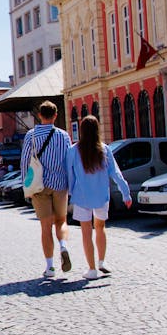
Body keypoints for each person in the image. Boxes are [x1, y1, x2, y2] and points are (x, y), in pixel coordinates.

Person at [66, 115, 131, 280]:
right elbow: (115, 173)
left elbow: (70, 176)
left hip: (81, 196)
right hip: (102, 195)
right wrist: (126, 193)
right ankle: (102, 261)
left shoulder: (73, 151)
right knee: (100, 227)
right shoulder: (105, 149)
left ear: (81, 131)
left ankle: (92, 269)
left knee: (86, 232)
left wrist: (70, 192)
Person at [19, 100, 74, 278]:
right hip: (60, 184)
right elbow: (69, 161)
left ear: (40, 115)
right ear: (56, 115)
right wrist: (70, 184)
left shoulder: (31, 136)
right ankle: (64, 246)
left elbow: (25, 161)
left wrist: (25, 185)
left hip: (39, 185)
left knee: (45, 227)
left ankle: (50, 267)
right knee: (61, 221)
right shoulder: (64, 136)